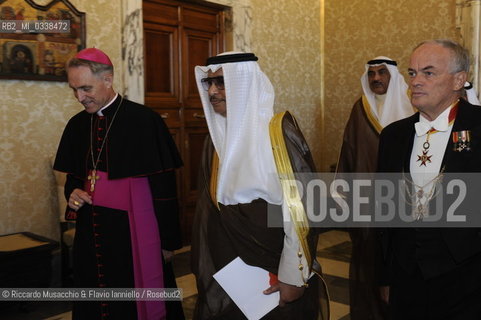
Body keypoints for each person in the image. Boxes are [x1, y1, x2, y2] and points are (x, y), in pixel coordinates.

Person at [191, 52, 327, 319]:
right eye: (209, 84)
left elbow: (300, 211)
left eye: (221, 82)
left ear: (243, 84)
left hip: (272, 267)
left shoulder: (277, 133)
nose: (212, 92)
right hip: (229, 268)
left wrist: (293, 276)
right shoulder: (216, 139)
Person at [53, 48, 184, 320]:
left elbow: (164, 188)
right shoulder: (77, 125)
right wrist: (73, 194)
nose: (79, 97)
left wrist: (168, 241)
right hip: (92, 229)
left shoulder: (145, 121)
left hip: (133, 230)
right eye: (74, 89)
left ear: (108, 80)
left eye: (86, 88)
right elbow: (74, 179)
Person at [377, 39, 481, 319]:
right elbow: (383, 214)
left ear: (459, 79)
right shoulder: (393, 136)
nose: (416, 82)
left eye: (428, 73)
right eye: (412, 73)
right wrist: (385, 276)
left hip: (467, 279)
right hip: (405, 277)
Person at [337, 57, 413, 320]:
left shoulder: (410, 106)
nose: (376, 78)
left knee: (397, 259)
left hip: (401, 202)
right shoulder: (360, 108)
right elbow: (348, 151)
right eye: (371, 74)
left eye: (382, 73)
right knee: (365, 260)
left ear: (393, 76)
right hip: (365, 201)